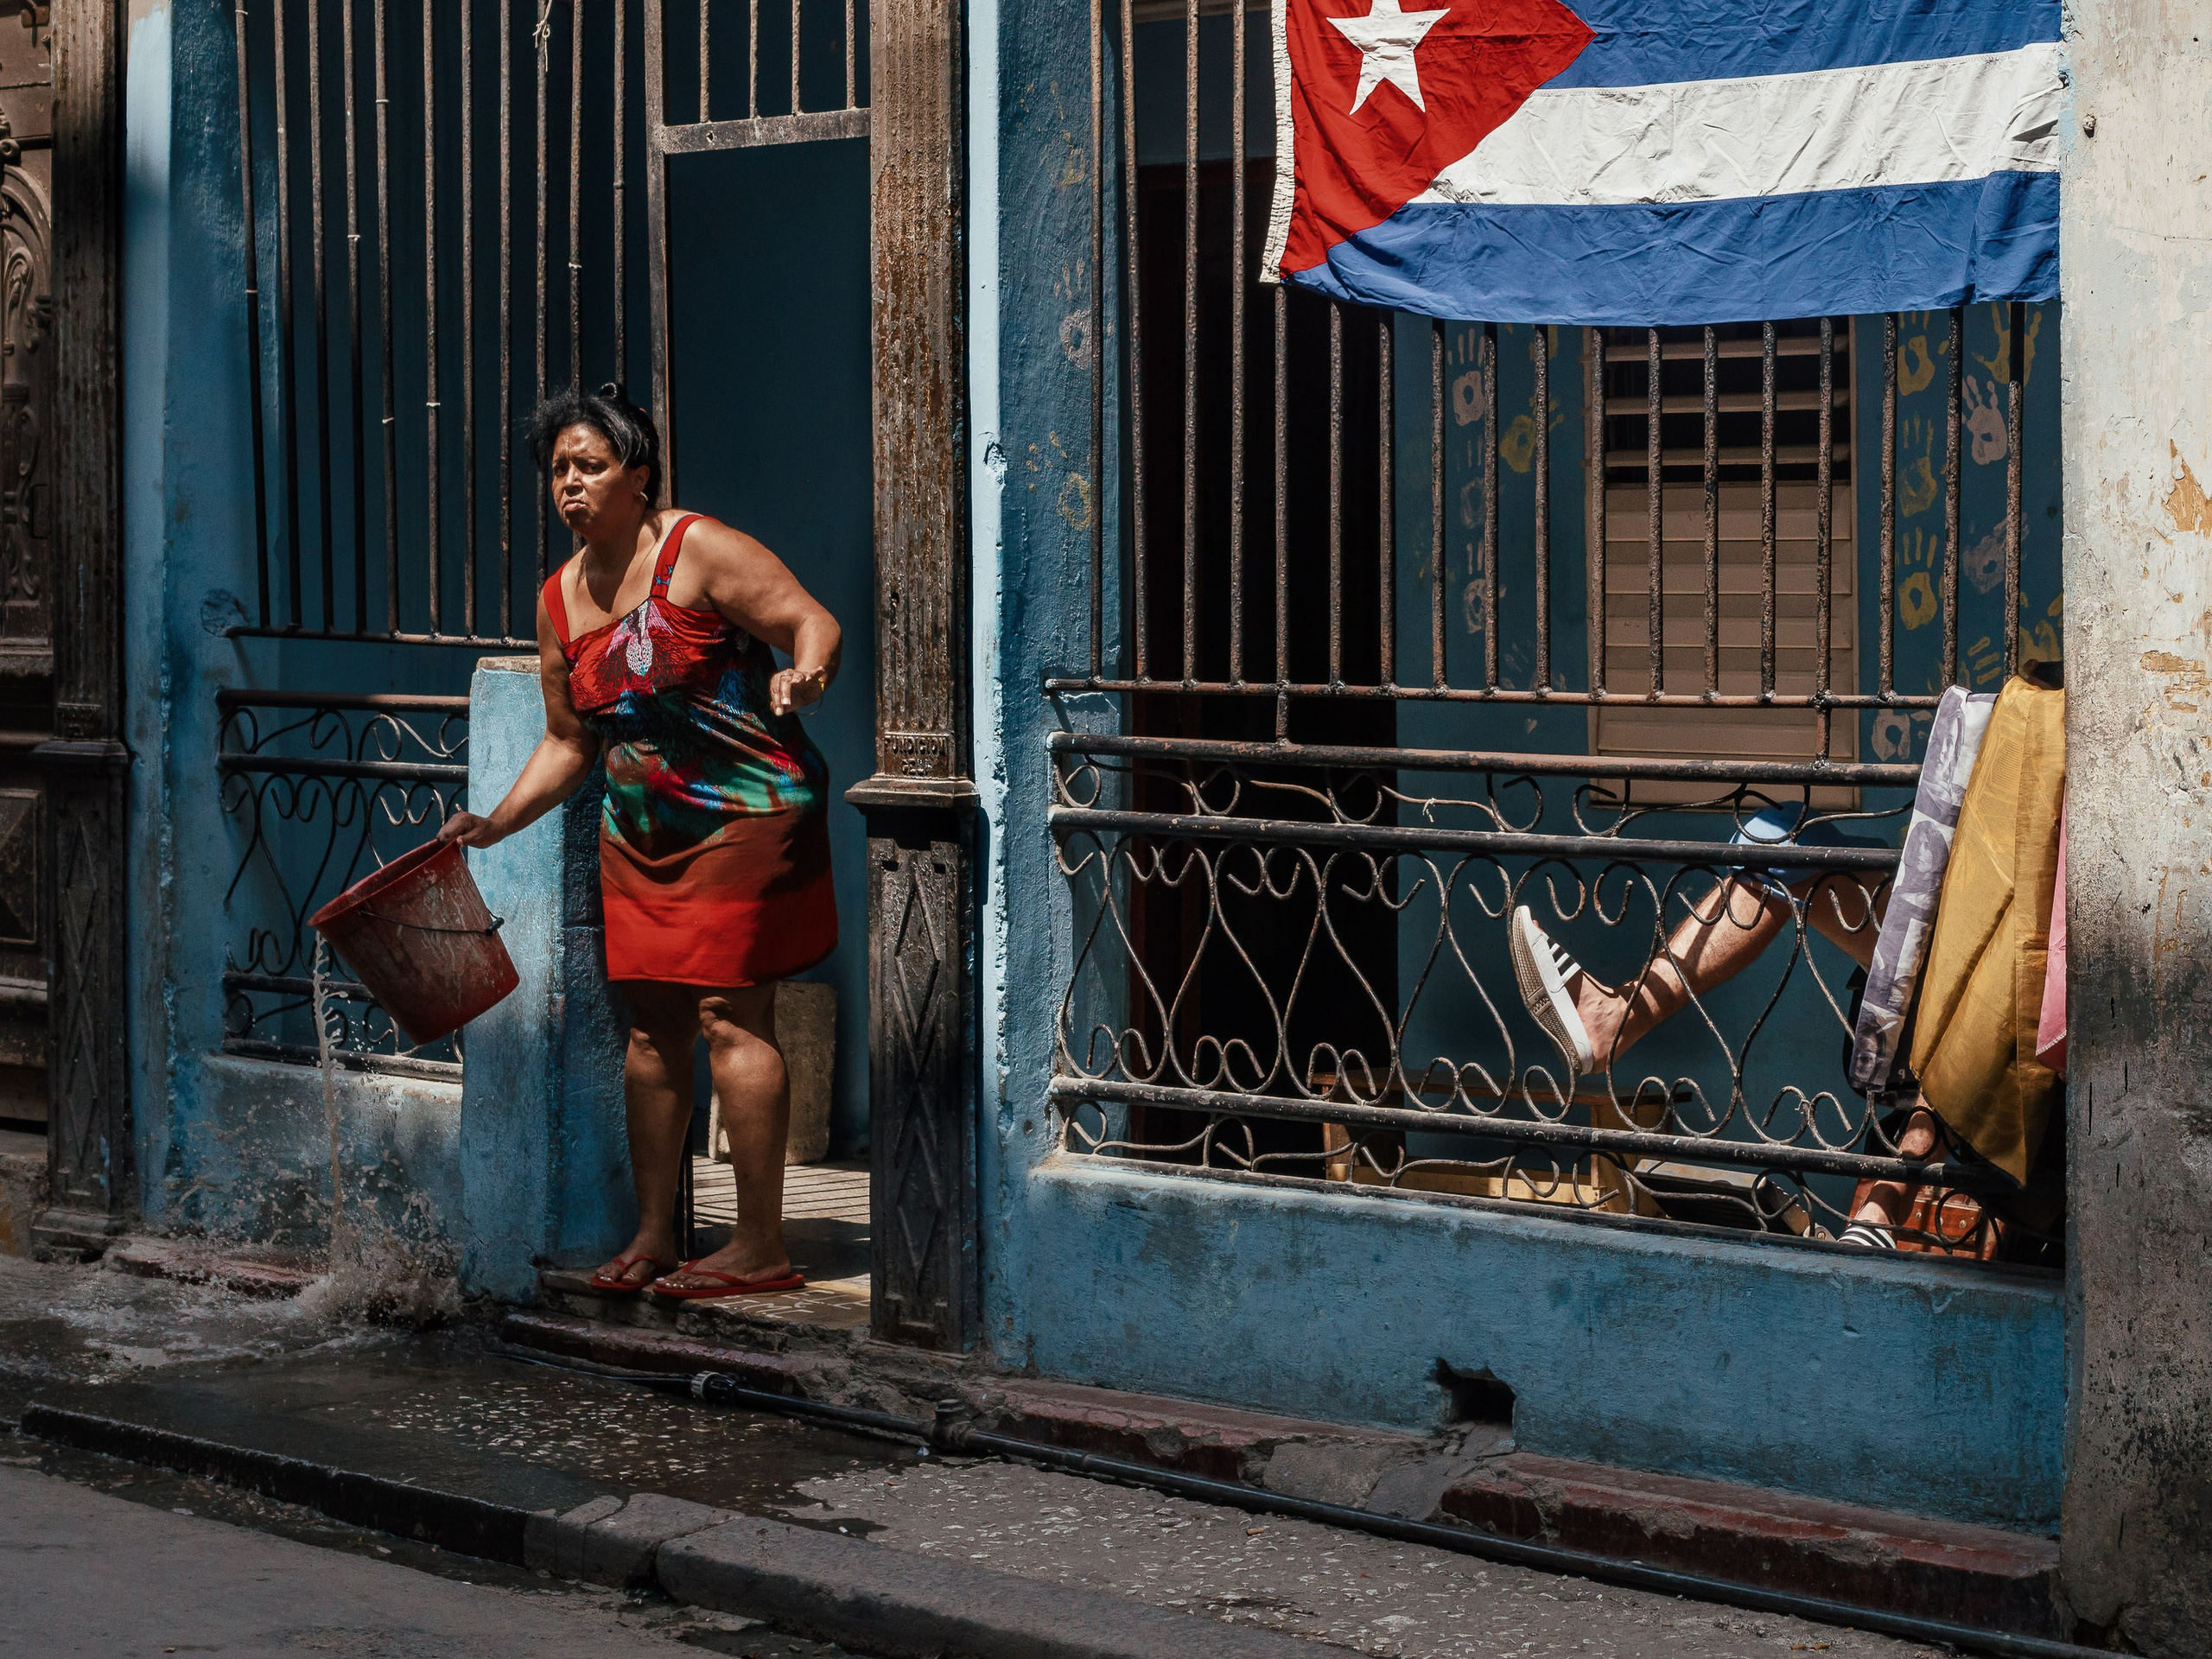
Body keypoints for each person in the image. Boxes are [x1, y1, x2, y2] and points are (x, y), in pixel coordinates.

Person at [439, 384, 841, 1301]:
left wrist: (807, 675)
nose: (571, 486)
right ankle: (657, 1234)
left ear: (639, 477)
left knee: (728, 1016)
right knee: (653, 1034)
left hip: (746, 813)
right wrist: (495, 821)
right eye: (559, 471)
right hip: (641, 835)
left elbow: (807, 618)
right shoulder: (558, 598)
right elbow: (568, 740)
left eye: (590, 466)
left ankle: (760, 1244)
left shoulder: (696, 549)